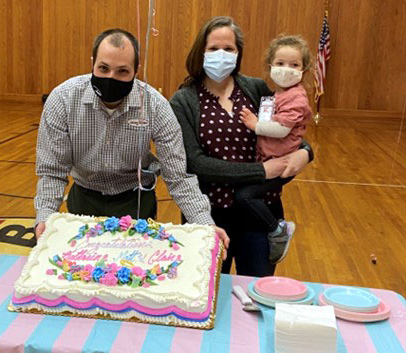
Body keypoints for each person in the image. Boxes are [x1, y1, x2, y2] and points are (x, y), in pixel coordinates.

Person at [34, 28, 229, 254]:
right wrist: (45, 218)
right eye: (103, 68)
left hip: (135, 201)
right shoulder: (62, 100)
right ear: (92, 63)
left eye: (122, 71)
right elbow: (52, 172)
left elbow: (178, 177)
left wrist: (205, 224)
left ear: (136, 71)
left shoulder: (156, 106)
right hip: (84, 199)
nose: (111, 78)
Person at [170, 16, 313, 277]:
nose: (221, 55)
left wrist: (306, 151)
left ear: (238, 54)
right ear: (200, 52)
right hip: (209, 216)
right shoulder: (183, 100)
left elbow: (285, 128)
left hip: (259, 214)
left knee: (258, 295)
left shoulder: (256, 89)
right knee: (207, 297)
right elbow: (195, 162)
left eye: (229, 49)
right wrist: (261, 171)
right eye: (213, 49)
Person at [237, 35, 313, 264]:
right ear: (269, 65)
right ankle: (275, 227)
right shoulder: (277, 94)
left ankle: (278, 230)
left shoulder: (297, 98)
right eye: (280, 64)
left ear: (304, 69)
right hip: (269, 159)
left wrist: (254, 124)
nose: (286, 70)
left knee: (245, 196)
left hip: (281, 163)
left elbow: (281, 130)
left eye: (294, 65)